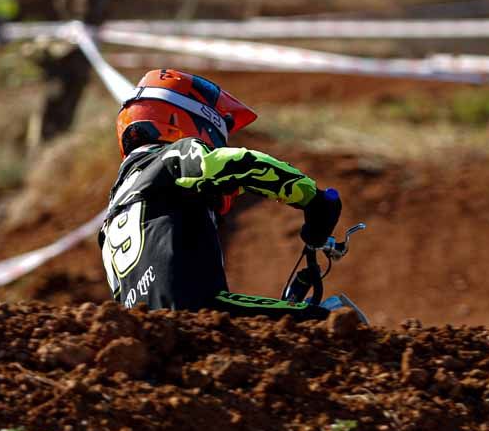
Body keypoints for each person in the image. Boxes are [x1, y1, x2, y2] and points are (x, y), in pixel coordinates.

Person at [100, 69, 343, 320]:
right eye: (220, 137)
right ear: (180, 119)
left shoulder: (109, 224)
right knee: (331, 322)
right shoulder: (172, 156)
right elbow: (240, 165)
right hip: (205, 315)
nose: (219, 143)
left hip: (155, 336)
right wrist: (314, 199)